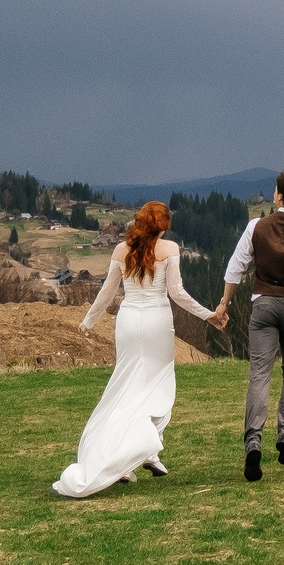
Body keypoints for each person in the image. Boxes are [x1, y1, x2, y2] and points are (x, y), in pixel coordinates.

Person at [52, 201, 217, 498]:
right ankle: (145, 452)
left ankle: (129, 458)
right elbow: (177, 293)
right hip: (156, 322)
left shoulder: (120, 250)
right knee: (159, 388)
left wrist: (88, 321)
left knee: (126, 387)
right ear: (163, 226)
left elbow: (107, 292)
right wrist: (208, 315)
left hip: (128, 322)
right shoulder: (169, 249)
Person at [210, 169, 284, 482]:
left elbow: (235, 269)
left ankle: (253, 444)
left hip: (263, 306)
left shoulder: (255, 226)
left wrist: (224, 304)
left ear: (278, 196)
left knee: (259, 374)